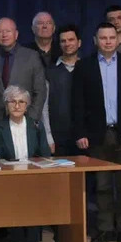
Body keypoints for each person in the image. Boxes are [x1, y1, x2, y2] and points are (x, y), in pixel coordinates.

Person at [72, 22, 121, 242]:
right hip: (97, 134)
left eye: (112, 37)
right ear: (95, 41)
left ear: (118, 39)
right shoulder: (84, 66)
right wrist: (80, 132)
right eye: (103, 38)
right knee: (102, 185)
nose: (108, 42)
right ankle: (104, 229)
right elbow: (77, 103)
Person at [0, 85, 51, 242]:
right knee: (14, 208)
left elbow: (45, 154)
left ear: (27, 105)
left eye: (21, 102)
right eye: (12, 102)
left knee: (33, 209)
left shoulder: (36, 126)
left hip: (33, 179)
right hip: (9, 180)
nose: (17, 106)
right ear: (6, 105)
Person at [0, 18, 46, 145]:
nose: (4, 35)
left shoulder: (31, 56)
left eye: (8, 31)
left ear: (16, 34)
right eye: (0, 31)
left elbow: (40, 91)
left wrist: (31, 120)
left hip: (24, 122)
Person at [42, 25, 83, 155]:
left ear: (79, 43)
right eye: (63, 41)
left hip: (85, 138)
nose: (67, 44)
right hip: (58, 139)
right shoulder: (49, 72)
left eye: (71, 40)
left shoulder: (89, 69)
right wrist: (48, 137)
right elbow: (44, 107)